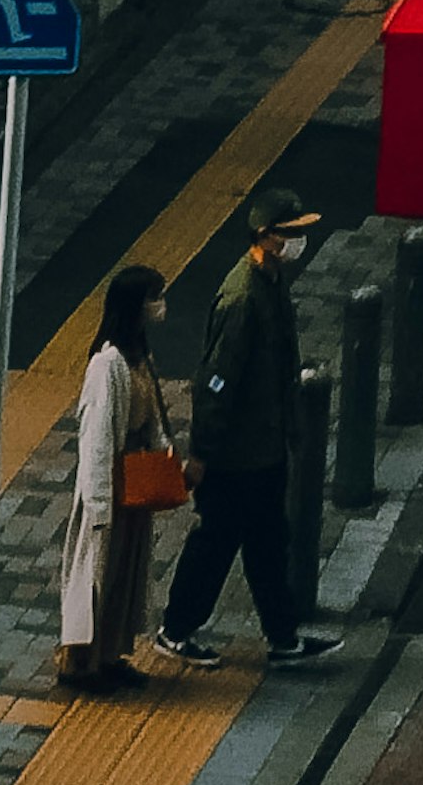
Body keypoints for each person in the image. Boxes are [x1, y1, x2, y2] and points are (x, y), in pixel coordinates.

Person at [158, 199, 337, 670]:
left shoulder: (271, 282)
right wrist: (202, 452)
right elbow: (216, 380)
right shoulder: (241, 298)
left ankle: (283, 637)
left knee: (268, 541)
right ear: (265, 235)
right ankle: (176, 628)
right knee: (216, 541)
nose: (298, 241)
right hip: (234, 454)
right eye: (291, 232)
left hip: (264, 449)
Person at [58, 266, 172, 691]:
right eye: (154, 297)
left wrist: (164, 457)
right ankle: (79, 664)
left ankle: (110, 655)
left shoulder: (139, 357)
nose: (160, 305)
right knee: (97, 574)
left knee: (126, 573)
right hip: (111, 485)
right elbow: (98, 437)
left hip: (135, 481)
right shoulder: (108, 365)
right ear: (134, 305)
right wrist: (100, 503)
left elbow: (155, 417)